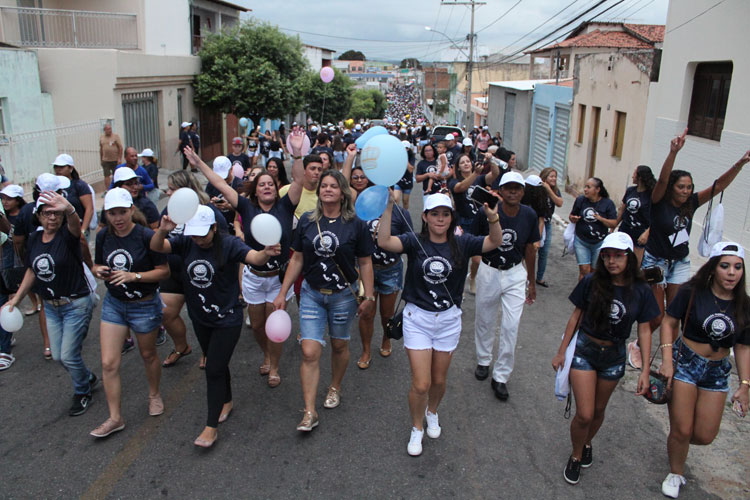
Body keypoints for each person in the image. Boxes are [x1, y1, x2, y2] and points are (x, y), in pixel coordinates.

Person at [377, 192, 501, 456]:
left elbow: (494, 242)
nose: (440, 219)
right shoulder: (414, 241)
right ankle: (416, 427)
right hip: (417, 319)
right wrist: (389, 207)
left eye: (445, 214)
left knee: (439, 380)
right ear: (425, 216)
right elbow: (385, 241)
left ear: (451, 217)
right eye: (435, 214)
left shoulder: (463, 242)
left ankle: (432, 411)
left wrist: (493, 218)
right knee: (421, 383)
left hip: (448, 321)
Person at [151, 205, 281, 447]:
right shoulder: (186, 242)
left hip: (227, 318)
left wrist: (266, 252)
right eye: (194, 234)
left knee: (213, 367)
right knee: (217, 363)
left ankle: (210, 427)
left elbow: (253, 257)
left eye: (203, 234)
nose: (199, 239)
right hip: (200, 318)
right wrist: (162, 231)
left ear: (214, 228)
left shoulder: (229, 243)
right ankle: (227, 400)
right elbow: (158, 247)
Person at [185, 131, 303, 388]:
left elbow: (299, 179)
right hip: (253, 277)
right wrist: (199, 164)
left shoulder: (286, 206)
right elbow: (220, 184)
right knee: (259, 326)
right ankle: (267, 353)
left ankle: (274, 365)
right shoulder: (246, 208)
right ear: (255, 191)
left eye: (270, 183)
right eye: (261, 184)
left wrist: (296, 152)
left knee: (276, 322)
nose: (267, 187)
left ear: (276, 186)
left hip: (278, 279)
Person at [551, 232, 659, 485]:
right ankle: (576, 456)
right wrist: (561, 350)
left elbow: (644, 328)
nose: (612, 261)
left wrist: (644, 370)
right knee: (585, 414)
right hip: (586, 350)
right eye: (607, 255)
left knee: (599, 410)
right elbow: (576, 316)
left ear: (629, 258)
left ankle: (587, 441)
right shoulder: (591, 281)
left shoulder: (641, 290)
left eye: (618, 256)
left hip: (614, 355)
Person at [272, 169, 375, 432]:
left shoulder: (357, 225)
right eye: (324, 186)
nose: (327, 189)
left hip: (343, 297)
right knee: (309, 351)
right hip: (311, 294)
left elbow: (365, 262)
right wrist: (283, 293)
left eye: (333, 186)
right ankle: (309, 411)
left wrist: (369, 295)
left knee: (339, 347)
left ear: (343, 193)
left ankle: (335, 387)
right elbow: (296, 258)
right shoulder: (306, 221)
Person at [658, 241, 750, 498]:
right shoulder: (692, 292)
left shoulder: (744, 304)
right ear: (713, 268)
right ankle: (675, 472)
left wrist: (745, 385)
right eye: (725, 266)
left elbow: (743, 347)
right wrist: (667, 359)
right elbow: (668, 321)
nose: (732, 273)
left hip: (717, 372)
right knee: (683, 429)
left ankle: (678, 439)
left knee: (705, 434)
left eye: (737, 267)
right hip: (686, 362)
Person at [642, 131, 748, 334]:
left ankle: (668, 359)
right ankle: (639, 344)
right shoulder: (658, 202)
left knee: (674, 315)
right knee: (656, 317)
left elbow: (720, 186)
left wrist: (740, 164)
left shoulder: (692, 202)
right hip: (655, 261)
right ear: (672, 188)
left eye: (689, 187)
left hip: (680, 262)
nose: (686, 191)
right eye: (681, 187)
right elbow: (662, 181)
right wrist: (673, 152)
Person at [7, 191, 97, 416]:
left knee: (68, 355)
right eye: (47, 214)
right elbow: (32, 270)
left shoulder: (67, 235)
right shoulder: (35, 239)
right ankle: (86, 376)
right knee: (58, 355)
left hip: (76, 302)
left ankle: (82, 390)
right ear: (38, 216)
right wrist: (16, 299)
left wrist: (69, 208)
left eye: (57, 214)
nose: (52, 218)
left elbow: (76, 226)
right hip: (51, 307)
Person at [89, 188, 169, 438]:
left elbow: (163, 271)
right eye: (112, 213)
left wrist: (134, 276)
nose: (118, 218)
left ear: (132, 211)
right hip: (114, 304)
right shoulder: (103, 236)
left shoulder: (146, 236)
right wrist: (98, 270)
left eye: (122, 212)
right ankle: (115, 417)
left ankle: (154, 393)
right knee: (108, 363)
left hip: (144, 305)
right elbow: (96, 264)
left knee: (148, 354)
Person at [472, 171, 540, 401]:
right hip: (489, 269)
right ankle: (483, 360)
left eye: (517, 188)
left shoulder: (529, 215)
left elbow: (530, 248)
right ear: (500, 190)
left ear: (523, 191)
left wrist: (531, 281)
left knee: (511, 326)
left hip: (514, 272)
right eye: (508, 187)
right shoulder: (488, 212)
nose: (512, 191)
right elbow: (474, 241)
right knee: (485, 318)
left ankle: (501, 376)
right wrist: (479, 264)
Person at [158, 170, 229, 369]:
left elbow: (224, 242)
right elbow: (160, 238)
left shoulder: (208, 211)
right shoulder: (169, 210)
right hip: (174, 272)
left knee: (202, 315)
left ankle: (208, 351)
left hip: (202, 273)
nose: (169, 193)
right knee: (165, 313)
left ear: (185, 190)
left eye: (172, 189)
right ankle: (182, 346)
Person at [356, 195, 413, 368]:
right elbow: (353, 238)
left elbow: (409, 242)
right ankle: (366, 350)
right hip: (367, 270)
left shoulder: (401, 213)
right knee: (366, 313)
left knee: (386, 314)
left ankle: (386, 339)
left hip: (391, 270)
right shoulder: (363, 210)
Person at [448, 153, 501, 294]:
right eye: (462, 162)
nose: (466, 163)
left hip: (480, 221)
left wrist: (491, 160)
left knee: (478, 259)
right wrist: (475, 174)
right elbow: (460, 188)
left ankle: (472, 277)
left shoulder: (480, 179)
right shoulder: (453, 181)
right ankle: (456, 287)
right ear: (458, 168)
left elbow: (495, 173)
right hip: (463, 222)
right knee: (462, 257)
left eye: (468, 161)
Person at [569, 178, 617, 281]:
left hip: (599, 243)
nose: (585, 189)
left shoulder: (608, 204)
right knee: (584, 270)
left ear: (597, 189)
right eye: (585, 187)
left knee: (595, 271)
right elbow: (572, 215)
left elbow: (614, 223)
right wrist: (573, 218)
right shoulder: (581, 200)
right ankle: (582, 295)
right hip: (581, 241)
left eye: (588, 187)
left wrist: (601, 219)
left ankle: (593, 294)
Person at [616, 165, 656, 265]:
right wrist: (613, 226)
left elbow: (657, 216)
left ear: (640, 177)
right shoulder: (630, 190)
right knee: (621, 260)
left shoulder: (651, 194)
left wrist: (647, 233)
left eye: (634, 174)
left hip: (640, 232)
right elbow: (622, 209)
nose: (632, 176)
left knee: (635, 264)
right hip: (625, 228)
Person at [536, 167, 563, 287]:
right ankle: (526, 277)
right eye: (551, 176)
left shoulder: (555, 190)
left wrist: (549, 189)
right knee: (530, 250)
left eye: (555, 176)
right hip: (536, 222)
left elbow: (559, 203)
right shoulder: (537, 188)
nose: (554, 179)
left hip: (547, 223)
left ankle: (539, 277)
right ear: (544, 177)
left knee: (544, 252)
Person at [99, 123, 123, 192]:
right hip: (105, 160)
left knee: (115, 174)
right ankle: (107, 190)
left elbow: (120, 148)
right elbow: (101, 148)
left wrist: (119, 158)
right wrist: (101, 159)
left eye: (110, 129)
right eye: (108, 129)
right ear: (104, 130)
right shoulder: (102, 137)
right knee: (106, 176)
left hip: (114, 160)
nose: (109, 130)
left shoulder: (115, 136)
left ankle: (116, 188)